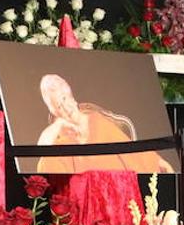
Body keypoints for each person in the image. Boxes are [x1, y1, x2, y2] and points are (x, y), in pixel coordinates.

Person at [34, 74, 174, 174]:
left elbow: (127, 148)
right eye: (58, 106)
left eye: (64, 99)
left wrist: (157, 161)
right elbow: (41, 153)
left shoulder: (96, 120)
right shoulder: (59, 132)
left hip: (115, 179)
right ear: (54, 111)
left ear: (70, 94)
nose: (65, 107)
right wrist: (58, 125)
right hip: (85, 187)